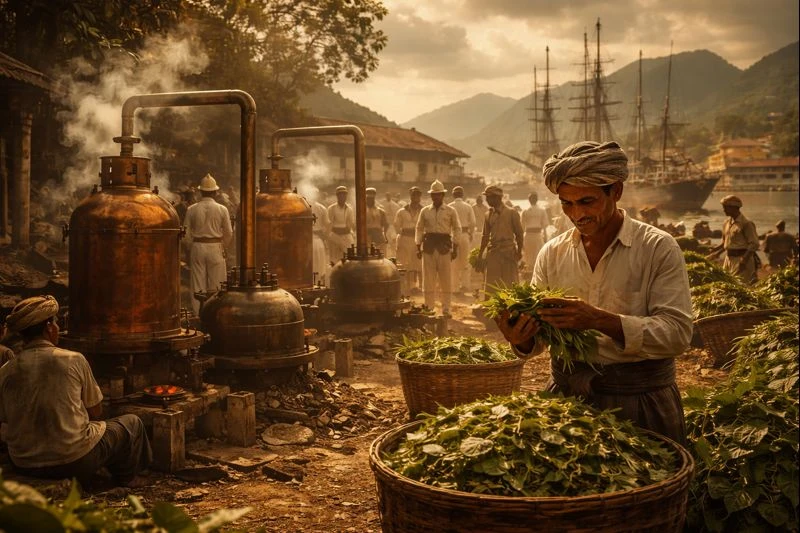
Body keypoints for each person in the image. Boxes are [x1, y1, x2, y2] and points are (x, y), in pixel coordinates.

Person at [494, 141, 692, 445]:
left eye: (587, 201)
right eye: (567, 204)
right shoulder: (552, 253)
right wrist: (521, 337)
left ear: (616, 191)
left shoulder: (657, 248)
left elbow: (678, 334)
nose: (577, 214)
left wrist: (599, 320)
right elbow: (539, 341)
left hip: (640, 401)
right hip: (567, 401)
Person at [0, 296, 152, 486]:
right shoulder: (73, 359)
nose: (57, 328)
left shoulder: (6, 370)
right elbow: (96, 412)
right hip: (74, 461)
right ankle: (128, 479)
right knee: (132, 423)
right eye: (56, 323)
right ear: (49, 327)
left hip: (23, 463)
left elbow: (5, 418)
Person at [184, 174, 234, 316]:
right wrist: (224, 246)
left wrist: (190, 247)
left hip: (198, 247)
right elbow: (229, 232)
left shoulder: (191, 209)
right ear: (215, 192)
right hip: (215, 246)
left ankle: (198, 314)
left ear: (200, 192)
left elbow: (186, 233)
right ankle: (215, 313)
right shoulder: (222, 209)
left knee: (197, 283)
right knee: (217, 283)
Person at [415, 180, 461, 316]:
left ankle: (446, 308)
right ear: (431, 196)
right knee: (428, 279)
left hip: (444, 246)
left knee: (445, 279)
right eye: (433, 195)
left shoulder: (451, 211)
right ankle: (429, 307)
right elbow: (419, 228)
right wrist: (418, 246)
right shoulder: (425, 211)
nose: (436, 197)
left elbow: (457, 229)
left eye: (438, 195)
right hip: (428, 246)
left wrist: (456, 246)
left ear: (443, 195)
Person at [478, 185, 524, 297]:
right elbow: (485, 236)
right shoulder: (488, 214)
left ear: (497, 198)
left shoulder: (512, 213)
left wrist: (519, 252)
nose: (487, 200)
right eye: (486, 198)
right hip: (493, 253)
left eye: (489, 198)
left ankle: (509, 311)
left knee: (509, 284)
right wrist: (480, 255)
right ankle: (491, 310)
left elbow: (519, 234)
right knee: (491, 285)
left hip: (508, 252)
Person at [706, 195, 759, 284]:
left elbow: (754, 244)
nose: (724, 210)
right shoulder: (726, 223)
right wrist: (715, 252)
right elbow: (725, 243)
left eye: (726, 207)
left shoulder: (746, 223)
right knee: (726, 284)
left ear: (734, 208)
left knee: (741, 285)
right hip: (728, 259)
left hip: (741, 259)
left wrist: (744, 260)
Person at [394, 186, 424, 294]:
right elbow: (397, 226)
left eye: (417, 195)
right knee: (405, 263)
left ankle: (417, 287)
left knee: (418, 263)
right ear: (410, 196)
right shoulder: (402, 211)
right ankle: (406, 287)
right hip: (405, 239)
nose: (415, 197)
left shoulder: (423, 210)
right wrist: (403, 233)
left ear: (420, 197)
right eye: (413, 195)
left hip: (418, 239)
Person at [448, 186, 476, 294]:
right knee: (465, 261)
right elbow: (473, 222)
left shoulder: (449, 206)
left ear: (453, 195)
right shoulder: (468, 207)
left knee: (454, 262)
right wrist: (471, 233)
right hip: (464, 234)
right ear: (462, 195)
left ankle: (455, 287)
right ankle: (465, 285)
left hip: (453, 235)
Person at [521, 192, 550, 271]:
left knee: (530, 256)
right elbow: (544, 227)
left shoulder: (526, 211)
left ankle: (531, 273)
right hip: (535, 235)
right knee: (534, 255)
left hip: (530, 235)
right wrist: (545, 238)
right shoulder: (540, 210)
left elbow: (522, 227)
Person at [327, 186, 356, 263]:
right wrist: (328, 236)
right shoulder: (331, 208)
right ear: (337, 196)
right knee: (334, 259)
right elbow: (329, 223)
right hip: (335, 235)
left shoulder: (349, 209)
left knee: (350, 257)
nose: (342, 196)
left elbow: (351, 223)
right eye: (340, 194)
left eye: (344, 194)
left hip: (346, 236)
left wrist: (349, 231)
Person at [310, 190, 331, 285]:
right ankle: (319, 283)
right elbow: (328, 225)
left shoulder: (302, 207)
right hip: (317, 241)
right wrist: (324, 236)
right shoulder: (322, 208)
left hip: (310, 241)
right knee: (319, 266)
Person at [365, 187, 389, 256]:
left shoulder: (380, 210)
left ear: (374, 198)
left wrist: (384, 234)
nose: (370, 200)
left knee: (381, 255)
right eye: (368, 198)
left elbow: (386, 224)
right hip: (367, 235)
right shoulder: (362, 210)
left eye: (371, 198)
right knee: (367, 255)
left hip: (378, 234)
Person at [381, 192, 401, 258]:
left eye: (389, 195)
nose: (388, 197)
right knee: (386, 242)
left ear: (391, 196)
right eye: (387, 196)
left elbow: (397, 216)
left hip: (392, 225)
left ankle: (394, 256)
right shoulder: (382, 204)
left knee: (393, 242)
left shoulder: (395, 205)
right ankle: (387, 257)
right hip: (386, 226)